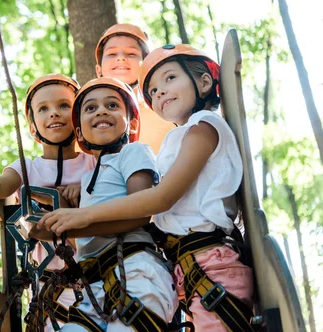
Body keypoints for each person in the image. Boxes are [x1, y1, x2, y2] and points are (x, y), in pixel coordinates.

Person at [39, 44, 255, 331]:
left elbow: (160, 198)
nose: (160, 92)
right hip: (189, 265)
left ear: (204, 82)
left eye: (169, 78)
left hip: (210, 262)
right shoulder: (175, 141)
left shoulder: (203, 127)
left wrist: (81, 218)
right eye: (152, 90)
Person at [40, 77, 177, 331]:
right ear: (79, 131)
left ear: (132, 123)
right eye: (91, 108)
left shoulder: (134, 152)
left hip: (135, 270)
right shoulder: (88, 177)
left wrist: (76, 224)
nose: (102, 110)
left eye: (112, 105)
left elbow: (141, 212)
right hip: (93, 285)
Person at [0, 73, 96, 330]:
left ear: (78, 117)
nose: (53, 113)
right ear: (32, 127)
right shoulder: (27, 169)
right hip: (47, 286)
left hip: (96, 279)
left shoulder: (94, 164)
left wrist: (87, 188)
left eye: (63, 106)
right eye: (43, 109)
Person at [95, 23, 174, 153]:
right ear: (99, 70)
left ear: (146, 67)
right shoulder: (84, 122)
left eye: (131, 53)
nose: (121, 58)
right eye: (112, 53)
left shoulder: (165, 116)